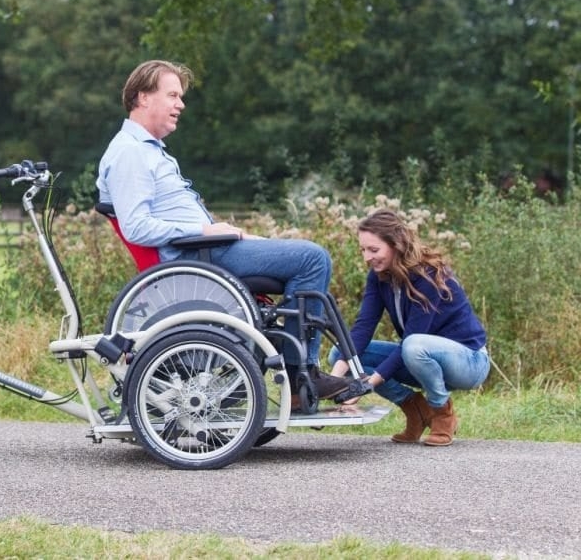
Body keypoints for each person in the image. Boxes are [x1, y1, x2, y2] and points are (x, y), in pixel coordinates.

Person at [96, 59, 352, 401]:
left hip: (206, 249)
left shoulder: (147, 151)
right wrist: (204, 230)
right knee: (311, 258)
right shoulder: (131, 154)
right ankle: (299, 375)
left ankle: (299, 369)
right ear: (143, 98)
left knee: (309, 273)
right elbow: (137, 226)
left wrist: (233, 234)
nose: (180, 104)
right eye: (173, 95)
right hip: (195, 258)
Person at [328, 209, 490, 446]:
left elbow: (412, 339)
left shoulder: (428, 275)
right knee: (340, 354)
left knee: (413, 345)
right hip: (420, 356)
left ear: (396, 245)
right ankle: (415, 409)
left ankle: (442, 413)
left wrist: (364, 386)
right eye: (363, 250)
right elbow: (363, 328)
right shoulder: (379, 276)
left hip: (470, 362)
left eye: (374, 250)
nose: (366, 258)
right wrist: (333, 382)